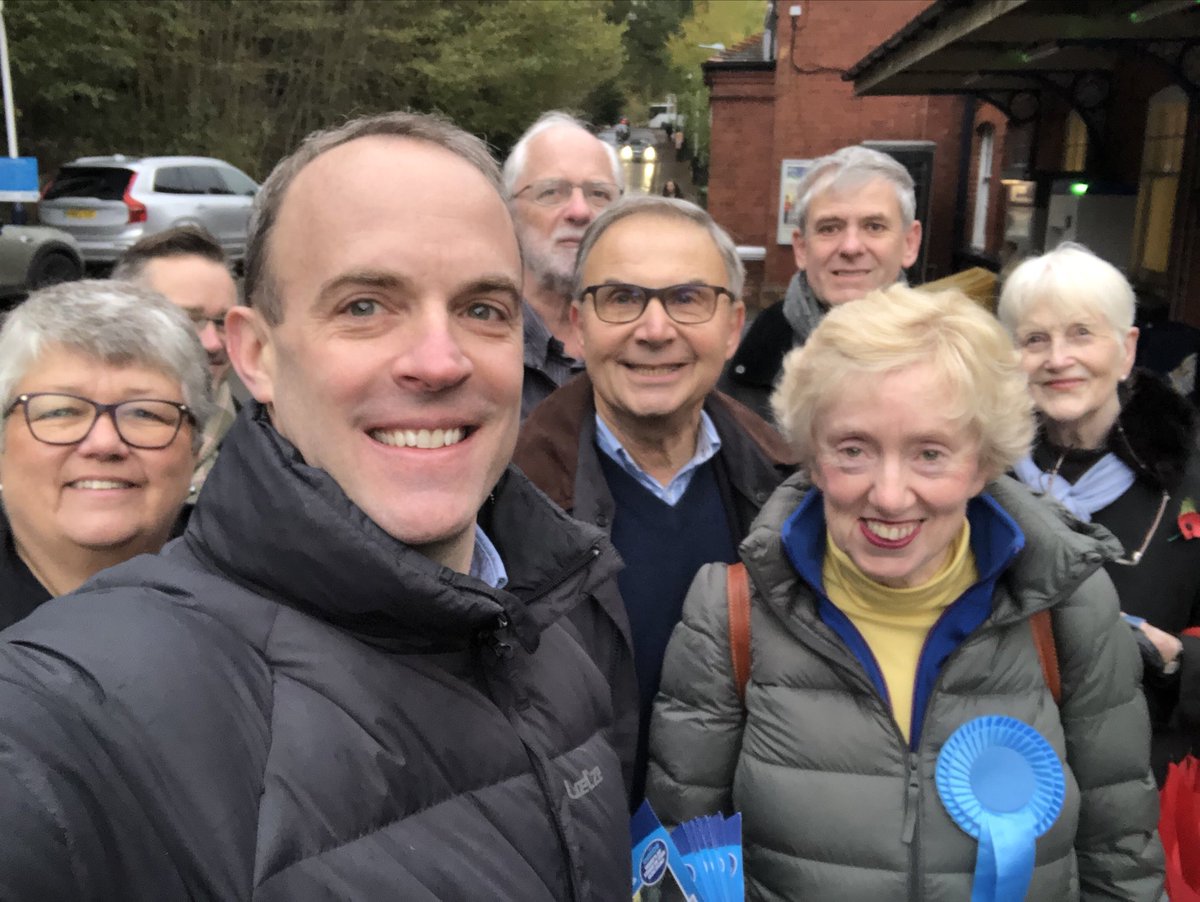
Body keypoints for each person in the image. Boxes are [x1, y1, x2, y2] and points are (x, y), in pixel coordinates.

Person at [0, 111, 628, 900]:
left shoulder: (555, 626)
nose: (438, 360)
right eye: (365, 305)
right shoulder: (71, 712)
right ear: (255, 355)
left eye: (482, 309)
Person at [648, 285, 1164, 900]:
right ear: (812, 456)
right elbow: (679, 872)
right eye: (853, 450)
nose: (890, 495)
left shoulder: (1070, 609)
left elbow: (1119, 862)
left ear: (983, 462)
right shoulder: (728, 616)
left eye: (929, 453)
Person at [515, 195, 795, 806]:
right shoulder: (502, 504)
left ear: (733, 326)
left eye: (688, 298)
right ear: (578, 325)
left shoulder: (796, 494)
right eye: (621, 298)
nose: (655, 329)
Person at [999, 242, 1200, 782]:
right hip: (996, 773)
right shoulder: (977, 471)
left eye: (1082, 333)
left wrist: (1177, 659)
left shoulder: (1190, 471)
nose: (1058, 358)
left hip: (1147, 774)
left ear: (1127, 348)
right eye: (1035, 339)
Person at [0, 280, 210, 627]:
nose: (104, 444)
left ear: (197, 449)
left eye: (145, 413)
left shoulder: (260, 599)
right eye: (60, 411)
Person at [719, 145, 922, 421]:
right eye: (830, 228)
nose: (851, 247)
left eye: (874, 226)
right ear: (801, 248)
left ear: (910, 243)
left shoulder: (963, 365)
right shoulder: (727, 361)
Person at [503, 111, 624, 418]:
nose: (579, 211)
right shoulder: (466, 346)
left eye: (599, 194)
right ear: (508, 211)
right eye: (551, 192)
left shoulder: (653, 342)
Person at [112, 226, 241, 494]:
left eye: (221, 322)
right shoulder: (49, 435)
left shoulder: (273, 456)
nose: (212, 343)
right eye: (185, 320)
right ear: (120, 323)